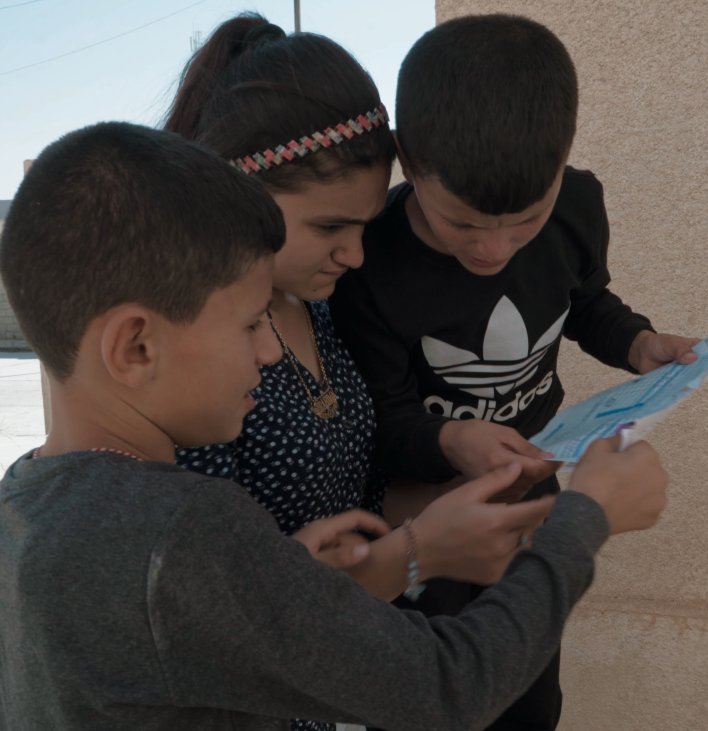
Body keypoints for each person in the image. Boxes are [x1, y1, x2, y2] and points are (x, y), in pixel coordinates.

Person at [0, 120, 672, 731]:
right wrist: (586, 517)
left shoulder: (10, 516)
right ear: (136, 346)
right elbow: (448, 687)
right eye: (249, 324)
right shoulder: (179, 534)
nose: (271, 351)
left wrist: (316, 575)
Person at [329, 14, 701, 731]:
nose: (493, 249)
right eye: (460, 224)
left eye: (523, 222)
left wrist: (637, 343)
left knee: (529, 688)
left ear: (563, 166)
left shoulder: (578, 208)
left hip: (532, 491)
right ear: (407, 160)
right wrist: (449, 442)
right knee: (427, 695)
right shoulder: (373, 261)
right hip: (424, 510)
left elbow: (586, 301)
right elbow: (381, 417)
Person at [163, 14, 538, 621]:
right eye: (330, 227)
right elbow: (218, 607)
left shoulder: (327, 305)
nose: (355, 254)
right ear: (235, 194)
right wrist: (422, 552)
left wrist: (460, 500)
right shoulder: (187, 348)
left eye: (364, 225)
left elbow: (357, 502)